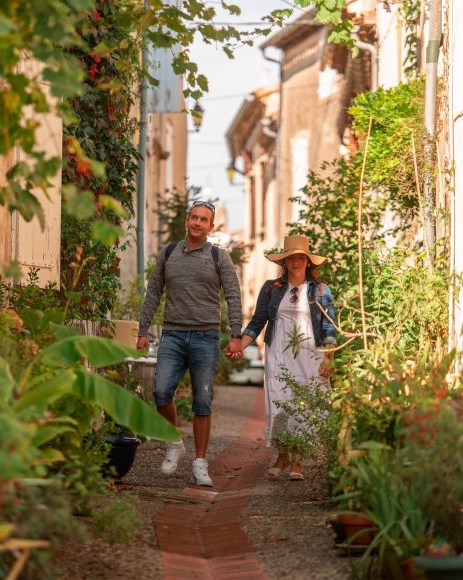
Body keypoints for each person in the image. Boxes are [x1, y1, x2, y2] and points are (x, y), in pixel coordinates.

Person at [137, 200, 243, 487]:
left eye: (203, 220)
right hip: (172, 335)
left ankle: (200, 463)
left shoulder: (219, 257)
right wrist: (143, 329)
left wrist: (236, 334)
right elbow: (153, 293)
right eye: (194, 218)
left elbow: (233, 295)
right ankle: (174, 442)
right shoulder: (169, 253)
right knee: (160, 392)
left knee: (203, 401)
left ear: (211, 226)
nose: (197, 223)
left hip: (206, 338)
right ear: (187, 220)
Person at [236, 234, 336, 480]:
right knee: (279, 402)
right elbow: (258, 320)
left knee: (304, 402)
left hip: (309, 354)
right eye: (291, 258)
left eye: (301, 257)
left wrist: (328, 358)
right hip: (278, 351)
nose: (296, 262)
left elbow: (329, 327)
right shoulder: (272, 288)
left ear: (308, 261)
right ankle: (282, 455)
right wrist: (241, 343)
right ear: (284, 262)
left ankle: (297, 461)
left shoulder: (321, 291)